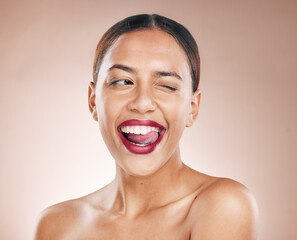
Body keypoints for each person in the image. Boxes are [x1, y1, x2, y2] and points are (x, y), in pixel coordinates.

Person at [34, 14, 259, 239]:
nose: (142, 103)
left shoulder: (223, 205)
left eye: (167, 86)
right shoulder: (55, 225)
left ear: (192, 108)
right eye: (123, 81)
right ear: (93, 101)